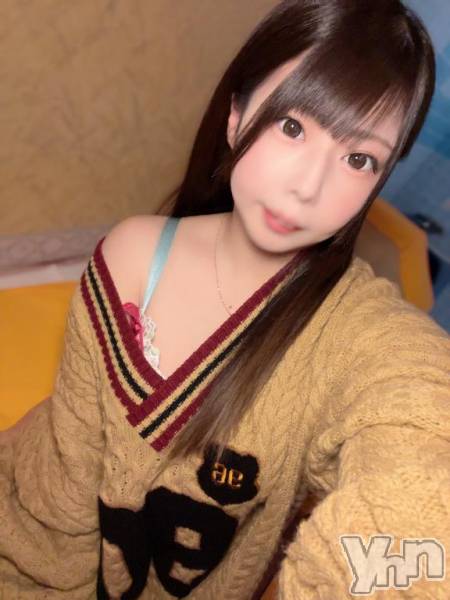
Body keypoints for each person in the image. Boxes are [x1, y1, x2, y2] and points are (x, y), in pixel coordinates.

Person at [1, 0, 449, 598]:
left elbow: (419, 444)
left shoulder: (356, 337)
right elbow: (60, 496)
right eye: (293, 127)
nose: (308, 187)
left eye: (358, 159)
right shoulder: (132, 256)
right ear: (236, 116)